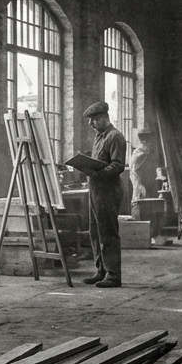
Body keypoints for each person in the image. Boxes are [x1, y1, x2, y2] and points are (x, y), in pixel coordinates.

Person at [78, 102, 127, 288]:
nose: (92, 123)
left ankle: (113, 275)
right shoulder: (100, 136)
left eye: (96, 119)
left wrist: (95, 172)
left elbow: (117, 165)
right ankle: (101, 270)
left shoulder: (115, 137)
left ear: (106, 117)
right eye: (91, 120)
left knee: (108, 233)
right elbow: (101, 160)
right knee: (95, 232)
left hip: (108, 190)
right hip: (96, 189)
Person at [129, 129, 169, 246]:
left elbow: (156, 167)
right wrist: (139, 186)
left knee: (154, 209)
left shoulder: (150, 152)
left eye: (151, 139)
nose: (150, 142)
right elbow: (134, 172)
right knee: (143, 209)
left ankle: (155, 235)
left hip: (151, 183)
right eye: (147, 139)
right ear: (142, 140)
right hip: (142, 184)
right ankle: (144, 236)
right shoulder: (138, 153)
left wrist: (160, 175)